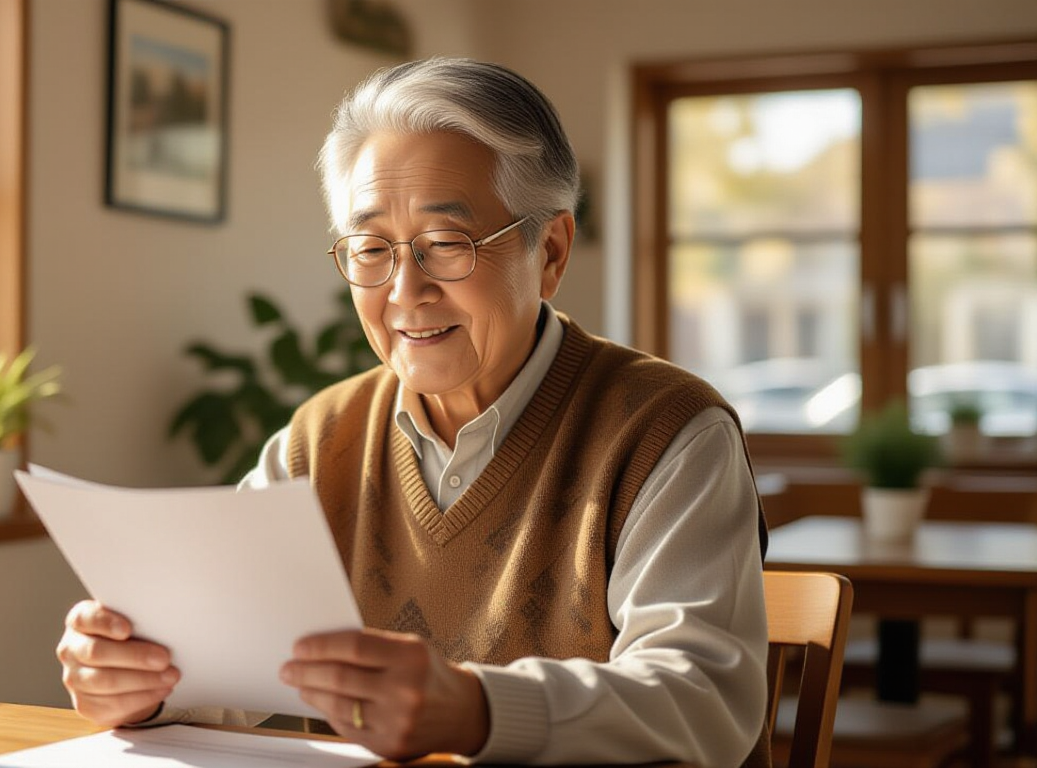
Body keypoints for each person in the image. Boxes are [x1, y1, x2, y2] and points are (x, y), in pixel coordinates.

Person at [58, 57, 770, 767]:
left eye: (445, 245)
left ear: (550, 251)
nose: (405, 291)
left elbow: (704, 698)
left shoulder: (667, 430)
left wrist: (478, 710)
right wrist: (139, 682)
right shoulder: (317, 441)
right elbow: (223, 669)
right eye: (371, 248)